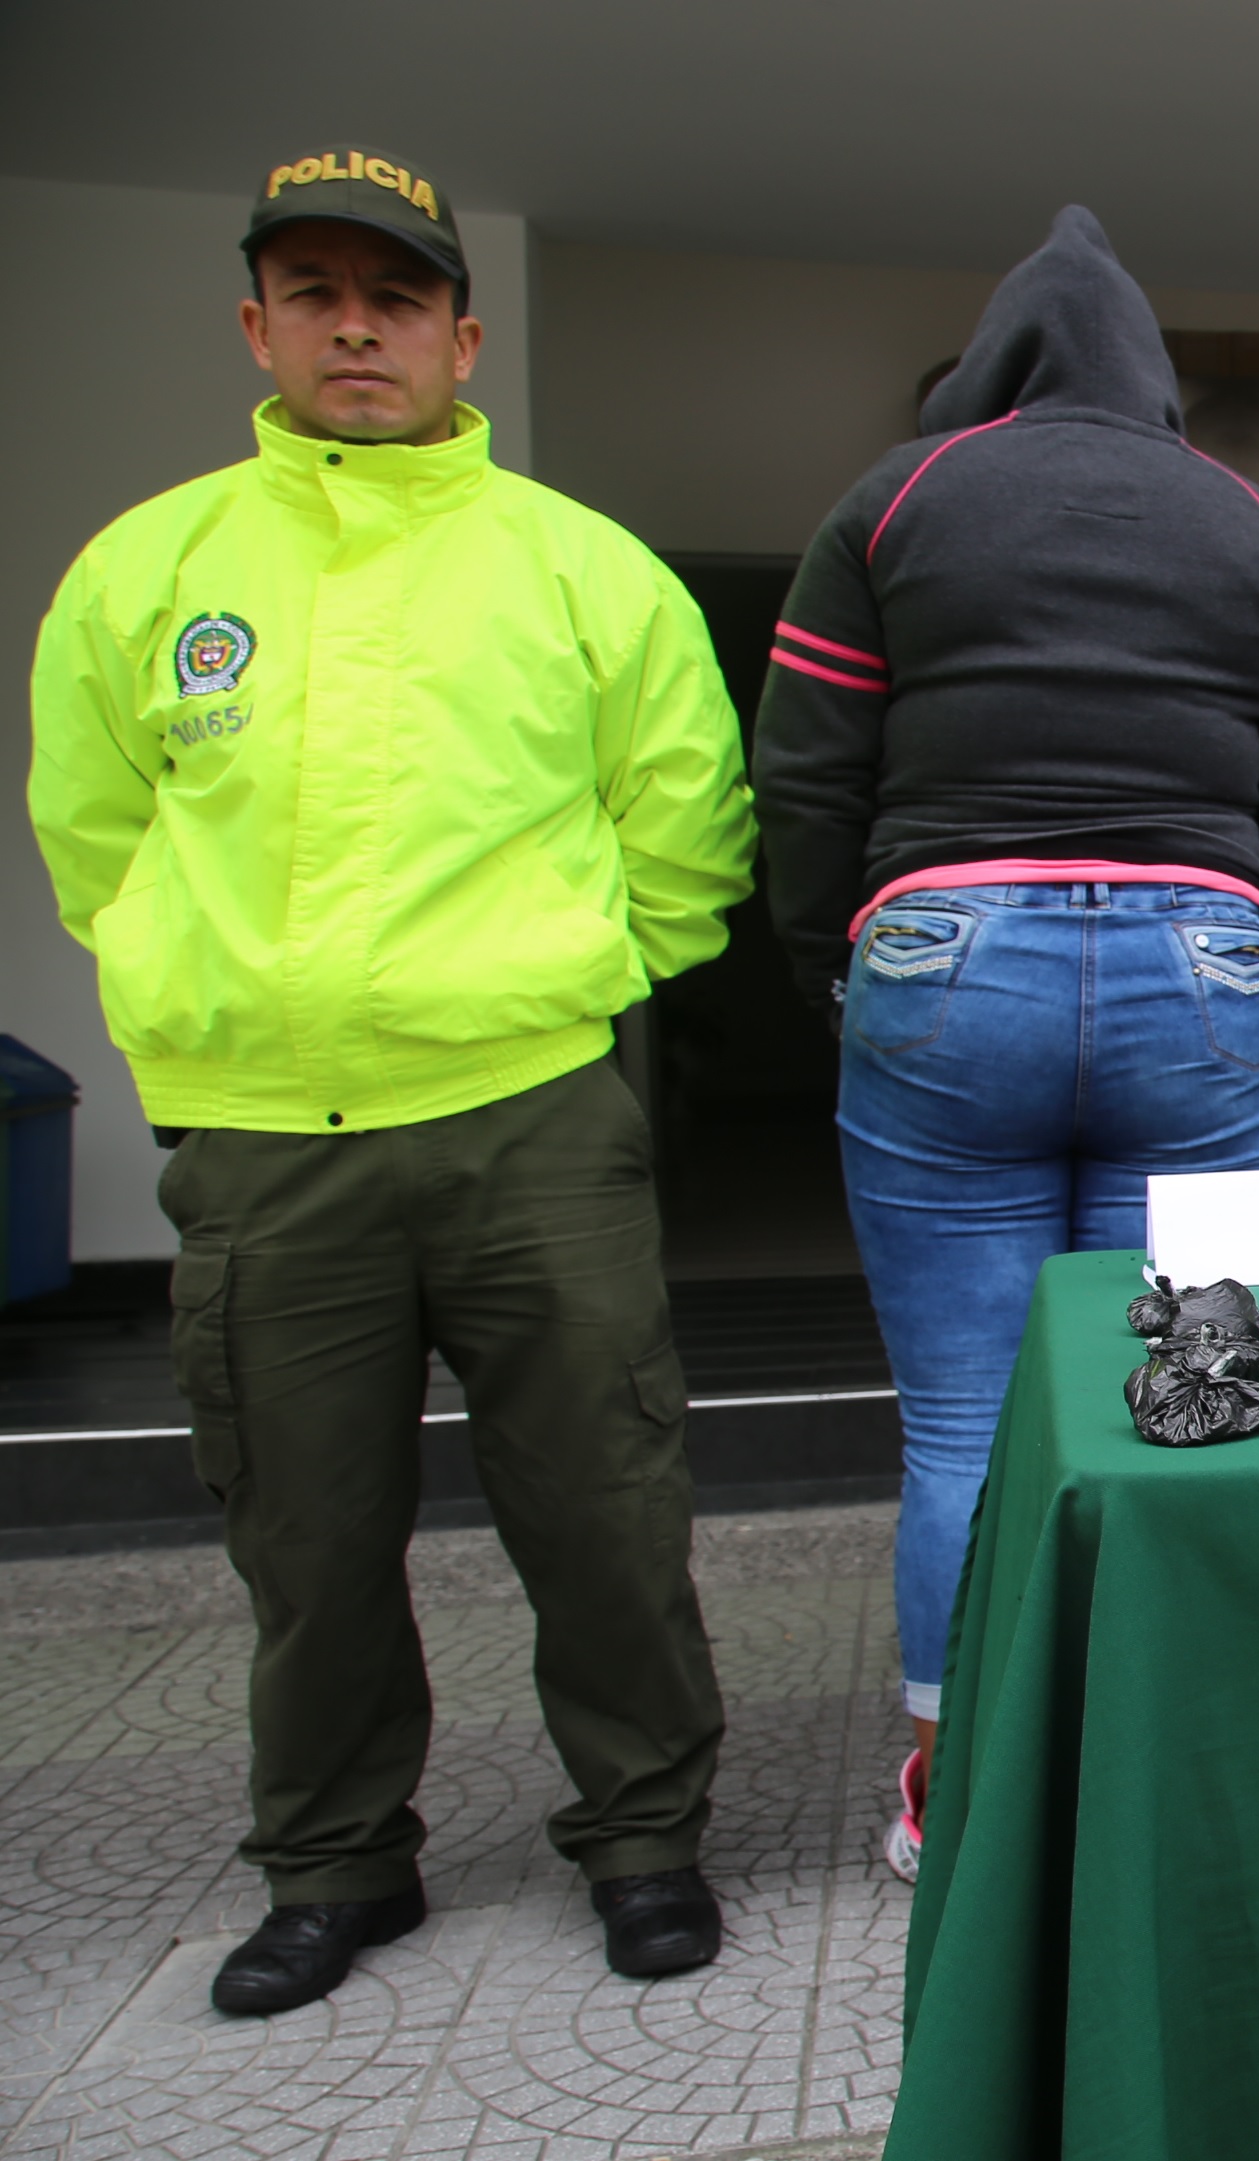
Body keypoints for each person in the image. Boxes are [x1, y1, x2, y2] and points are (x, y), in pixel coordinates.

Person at [26, 145, 751, 2012]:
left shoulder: (578, 567)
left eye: (398, 295)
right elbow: (95, 839)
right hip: (266, 1146)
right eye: (320, 292)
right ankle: (337, 1864)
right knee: (305, 1531)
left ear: (461, 331)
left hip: (528, 1118)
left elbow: (688, 835)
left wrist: (564, 983)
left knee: (602, 1502)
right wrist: (213, 1017)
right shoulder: (149, 569)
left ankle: (648, 1834)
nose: (360, 326)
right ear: (256, 322)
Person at [751, 206, 1259, 1883]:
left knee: (959, 1423)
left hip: (950, 963)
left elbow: (802, 775)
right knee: (1179, 1386)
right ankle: (1155, 1769)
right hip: (1204, 960)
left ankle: (955, 1802)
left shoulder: (897, 498)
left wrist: (839, 968)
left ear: (995, 365)